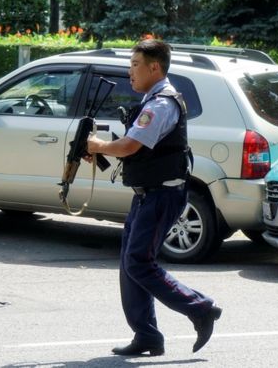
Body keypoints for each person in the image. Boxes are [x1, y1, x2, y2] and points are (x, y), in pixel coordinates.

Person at [86, 39, 222, 356]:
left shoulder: (161, 104)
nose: (129, 71)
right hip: (148, 194)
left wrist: (98, 146)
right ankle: (146, 336)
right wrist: (103, 150)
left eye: (135, 65)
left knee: (139, 262)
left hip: (163, 195)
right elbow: (140, 150)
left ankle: (200, 308)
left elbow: (131, 146)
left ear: (154, 67)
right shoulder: (152, 99)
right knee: (130, 262)